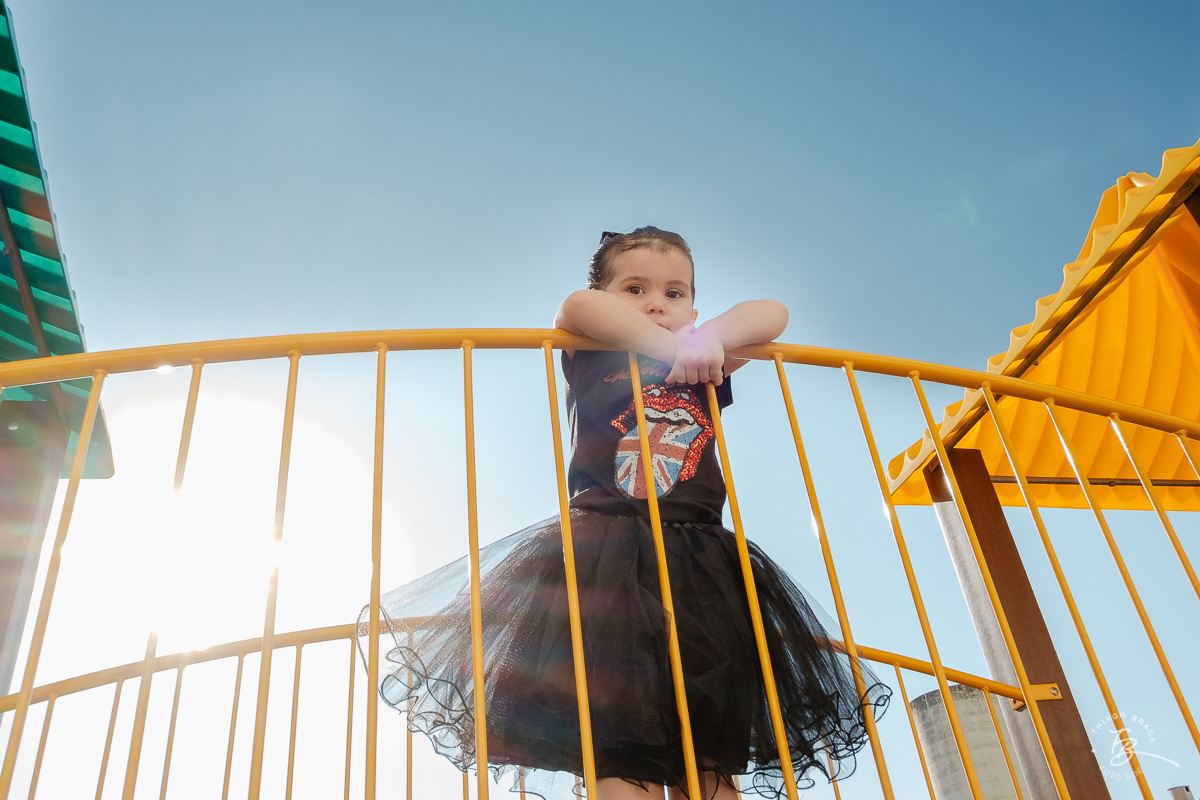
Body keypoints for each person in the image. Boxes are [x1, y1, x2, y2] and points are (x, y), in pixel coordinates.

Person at [360, 227, 890, 800]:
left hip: (698, 562)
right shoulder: (594, 354)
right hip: (604, 562)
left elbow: (773, 312)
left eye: (675, 293)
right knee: (615, 744)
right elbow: (578, 306)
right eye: (634, 289)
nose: (657, 303)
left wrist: (705, 338)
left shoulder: (706, 362)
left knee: (709, 756)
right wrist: (668, 345)